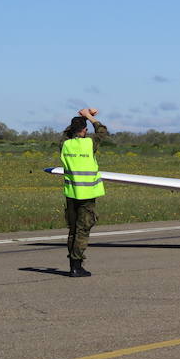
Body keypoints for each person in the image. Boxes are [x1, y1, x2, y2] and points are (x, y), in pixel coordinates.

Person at [60, 107, 108, 277]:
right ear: (84, 130)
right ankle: (77, 265)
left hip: (71, 194)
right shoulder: (89, 143)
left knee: (73, 230)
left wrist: (81, 119)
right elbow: (102, 130)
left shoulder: (65, 144)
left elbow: (67, 133)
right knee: (83, 230)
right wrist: (88, 116)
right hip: (87, 194)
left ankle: (72, 265)